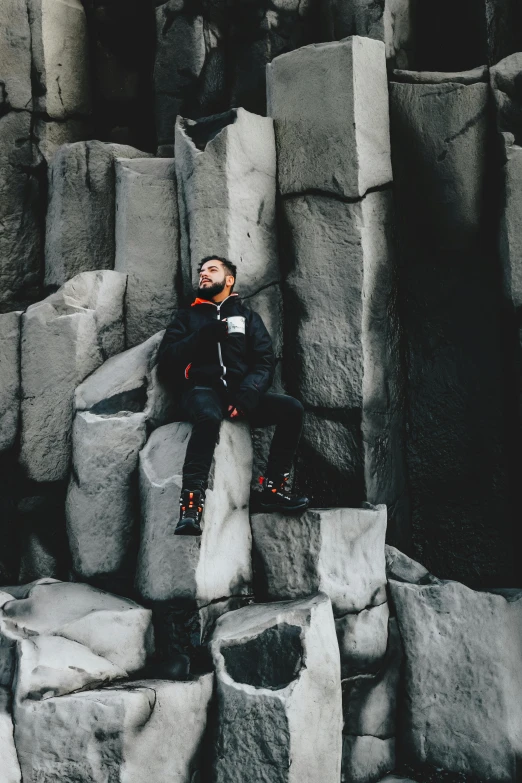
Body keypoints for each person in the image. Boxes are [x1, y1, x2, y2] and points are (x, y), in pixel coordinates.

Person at [157, 255, 310, 536]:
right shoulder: (187, 317)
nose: (203, 274)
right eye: (201, 271)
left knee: (292, 409)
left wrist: (248, 394)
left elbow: (264, 361)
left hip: (241, 394)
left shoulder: (248, 318)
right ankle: (191, 507)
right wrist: (202, 336)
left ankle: (274, 489)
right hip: (201, 391)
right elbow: (166, 360)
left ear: (229, 280)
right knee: (208, 416)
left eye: (211, 270)